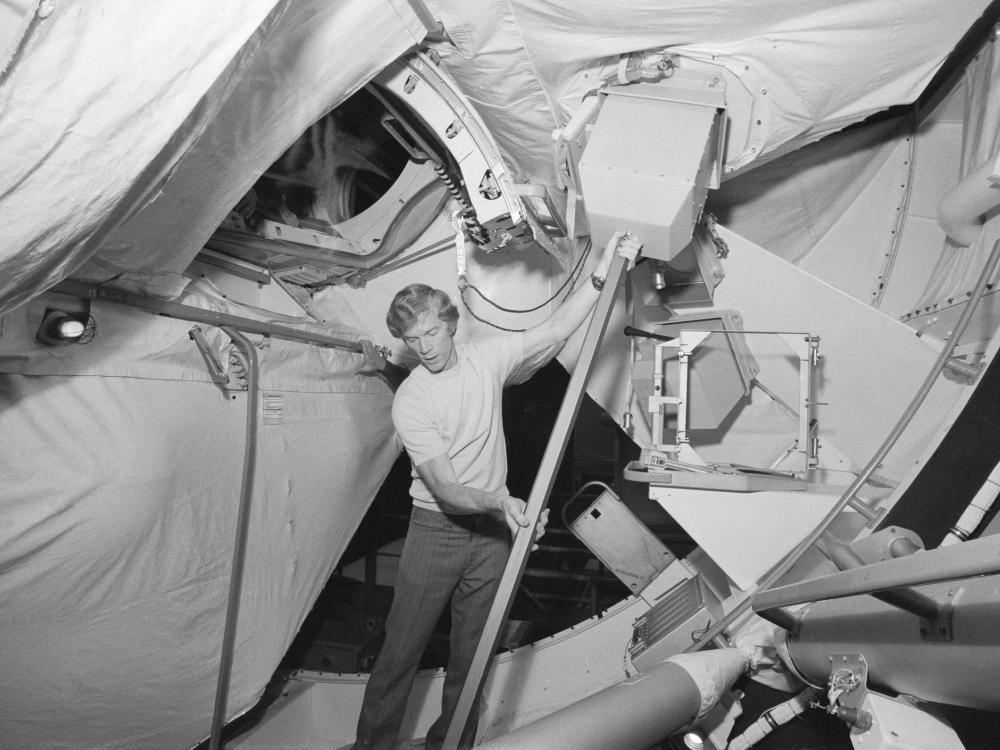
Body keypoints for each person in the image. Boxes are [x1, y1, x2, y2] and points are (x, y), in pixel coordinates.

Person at [351, 231, 642, 750]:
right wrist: (502, 501)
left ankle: (455, 744)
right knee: (401, 654)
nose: (425, 349)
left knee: (475, 654)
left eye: (432, 334)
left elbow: (554, 330)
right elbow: (445, 488)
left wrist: (604, 272)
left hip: (492, 534)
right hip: (436, 532)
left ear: (450, 326)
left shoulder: (486, 360)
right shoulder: (412, 400)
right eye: (413, 340)